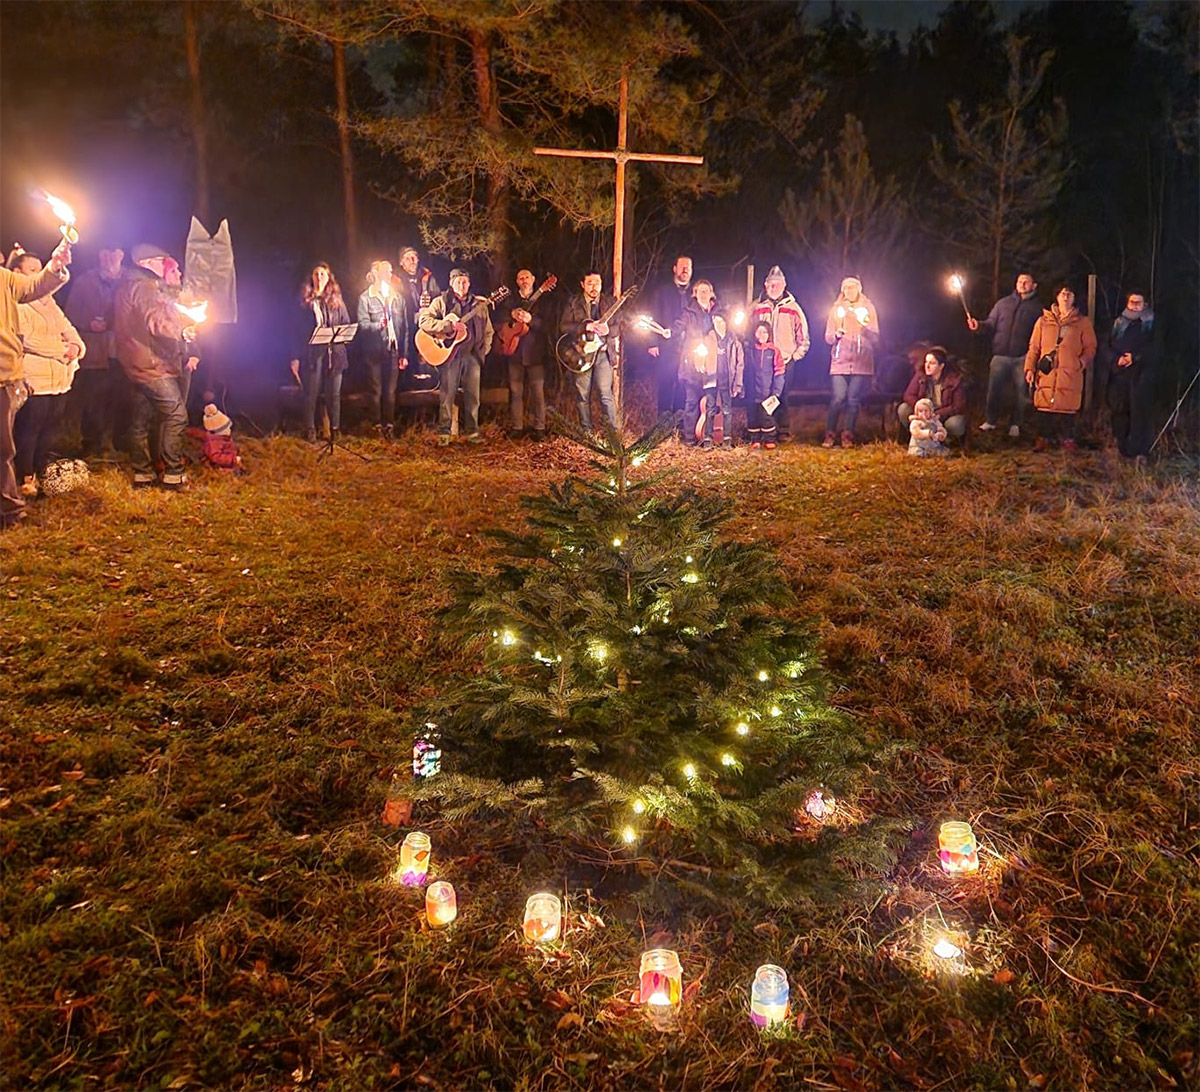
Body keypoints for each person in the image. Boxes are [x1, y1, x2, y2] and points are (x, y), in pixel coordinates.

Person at [114, 243, 197, 490]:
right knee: (176, 414)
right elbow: (155, 319)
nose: (167, 266)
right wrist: (181, 331)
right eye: (162, 261)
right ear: (147, 263)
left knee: (140, 419)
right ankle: (173, 473)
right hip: (151, 364)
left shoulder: (129, 285)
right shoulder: (144, 286)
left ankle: (143, 474)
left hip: (135, 362)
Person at [1, 237, 71, 528]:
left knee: (2, 448)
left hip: (2, 374)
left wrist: (54, 266)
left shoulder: (4, 279)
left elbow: (33, 287)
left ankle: (8, 509)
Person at [8, 249, 85, 496]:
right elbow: (28, 339)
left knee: (50, 427)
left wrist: (77, 346)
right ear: (17, 273)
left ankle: (43, 473)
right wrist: (63, 350)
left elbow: (68, 327)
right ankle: (24, 477)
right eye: (32, 270)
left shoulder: (48, 302)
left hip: (58, 378)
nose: (39, 273)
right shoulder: (18, 303)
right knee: (29, 428)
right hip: (35, 378)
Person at [418, 267, 493, 445]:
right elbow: (424, 321)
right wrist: (448, 327)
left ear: (469, 284)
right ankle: (444, 433)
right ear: (451, 283)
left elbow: (489, 331)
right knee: (447, 396)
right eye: (458, 281)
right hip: (449, 356)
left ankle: (472, 432)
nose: (462, 285)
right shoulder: (441, 302)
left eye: (465, 281)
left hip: (472, 356)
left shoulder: (479, 305)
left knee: (473, 397)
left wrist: (483, 350)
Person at [63, 246, 124, 458]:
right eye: (105, 253)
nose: (109, 258)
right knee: (93, 401)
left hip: (123, 352)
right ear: (99, 255)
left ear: (121, 255)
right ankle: (91, 445)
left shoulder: (129, 283)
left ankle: (119, 443)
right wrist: (87, 323)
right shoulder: (84, 282)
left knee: (120, 399)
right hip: (95, 352)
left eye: (113, 253)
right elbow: (68, 315)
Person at [1024, 285, 1097, 452]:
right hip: (1047, 372)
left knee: (1068, 408)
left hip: (1070, 372)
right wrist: (1029, 368)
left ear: (1074, 298)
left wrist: (1081, 363)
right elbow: (1034, 347)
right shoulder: (1043, 320)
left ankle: (1068, 440)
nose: (1065, 297)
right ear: (1056, 297)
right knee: (1044, 406)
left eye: (1069, 294)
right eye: (1062, 293)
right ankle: (1043, 439)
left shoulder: (1083, 322)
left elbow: (1090, 347)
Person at [969, 272, 1042, 438]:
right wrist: (978, 326)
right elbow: (990, 324)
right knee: (994, 390)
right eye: (1020, 281)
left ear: (1034, 285)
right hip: (1000, 355)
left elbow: (1040, 334)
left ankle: (1016, 424)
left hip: (1022, 356)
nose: (1022, 284)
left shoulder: (1037, 308)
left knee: (1021, 392)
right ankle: (991, 421)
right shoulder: (1003, 304)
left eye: (1026, 282)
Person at [289, 263, 350, 444]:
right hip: (312, 354)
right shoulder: (305, 301)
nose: (319, 277)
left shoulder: (336, 300)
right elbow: (296, 331)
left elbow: (346, 322)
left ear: (329, 277)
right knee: (311, 393)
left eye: (323, 274)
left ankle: (335, 429)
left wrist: (341, 336)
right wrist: (295, 357)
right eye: (316, 274)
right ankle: (310, 429)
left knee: (334, 394)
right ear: (312, 277)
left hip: (334, 353)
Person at [750, 266, 810, 443]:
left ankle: (782, 430)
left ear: (784, 285)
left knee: (781, 395)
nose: (773, 288)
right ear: (765, 286)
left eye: (776, 284)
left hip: (784, 359)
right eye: (769, 284)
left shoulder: (793, 308)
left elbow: (803, 335)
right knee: (762, 395)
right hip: (762, 358)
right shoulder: (758, 307)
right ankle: (765, 429)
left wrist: (795, 355)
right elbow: (749, 330)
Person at [561, 271, 621, 436]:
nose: (594, 287)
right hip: (581, 354)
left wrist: (609, 330)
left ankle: (612, 435)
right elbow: (564, 327)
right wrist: (584, 327)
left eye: (597, 283)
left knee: (605, 394)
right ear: (583, 284)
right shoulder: (574, 302)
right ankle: (587, 432)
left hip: (603, 354)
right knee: (582, 395)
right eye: (590, 283)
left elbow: (620, 326)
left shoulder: (609, 302)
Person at [823, 275, 879, 448]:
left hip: (861, 361)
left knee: (853, 399)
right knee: (839, 397)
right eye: (846, 288)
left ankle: (847, 434)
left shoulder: (868, 308)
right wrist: (836, 335)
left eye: (853, 288)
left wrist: (866, 329)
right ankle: (830, 433)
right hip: (840, 360)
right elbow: (828, 337)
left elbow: (876, 336)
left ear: (859, 289)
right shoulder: (836, 309)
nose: (849, 291)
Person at [357, 259, 407, 440]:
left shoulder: (397, 297)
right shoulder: (366, 298)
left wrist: (404, 353)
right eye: (386, 271)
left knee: (390, 392)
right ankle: (377, 425)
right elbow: (362, 325)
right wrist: (378, 325)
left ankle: (390, 426)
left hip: (393, 350)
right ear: (376, 273)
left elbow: (405, 328)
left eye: (390, 270)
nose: (389, 274)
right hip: (374, 352)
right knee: (376, 391)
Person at [1103, 292, 1156, 461]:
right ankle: (1122, 448)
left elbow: (1156, 348)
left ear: (1144, 304)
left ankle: (1140, 451)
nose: (1134, 305)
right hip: (1119, 375)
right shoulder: (1119, 322)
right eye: (1131, 301)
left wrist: (1135, 357)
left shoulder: (1150, 323)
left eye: (1138, 302)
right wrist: (1115, 359)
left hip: (1141, 375)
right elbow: (1106, 345)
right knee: (1119, 411)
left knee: (1139, 413)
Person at [670, 279, 722, 448]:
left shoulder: (718, 311)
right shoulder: (689, 312)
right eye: (700, 291)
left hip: (713, 363)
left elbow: (725, 330)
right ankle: (690, 438)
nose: (703, 294)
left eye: (706, 291)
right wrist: (670, 331)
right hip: (692, 363)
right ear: (695, 294)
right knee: (691, 401)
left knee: (711, 402)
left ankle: (708, 436)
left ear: (712, 293)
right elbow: (679, 326)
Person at [504, 268, 550, 441]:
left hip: (535, 354)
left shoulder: (542, 302)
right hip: (513, 351)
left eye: (527, 277)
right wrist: (511, 314)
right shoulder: (510, 300)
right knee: (515, 392)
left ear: (533, 279)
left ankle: (539, 428)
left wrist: (532, 320)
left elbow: (548, 326)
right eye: (520, 278)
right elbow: (500, 319)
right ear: (517, 281)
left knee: (538, 392)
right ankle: (517, 427)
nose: (524, 280)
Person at [647, 254, 693, 414]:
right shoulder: (662, 292)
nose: (685, 270)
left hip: (690, 347)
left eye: (689, 267)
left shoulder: (695, 293)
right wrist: (652, 342)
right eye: (682, 266)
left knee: (685, 385)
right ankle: (663, 424)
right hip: (668, 345)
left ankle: (680, 423)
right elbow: (653, 316)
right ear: (675, 269)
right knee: (666, 383)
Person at [899, 346, 968, 443]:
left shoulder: (953, 380)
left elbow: (958, 406)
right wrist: (920, 408)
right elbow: (908, 395)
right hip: (923, 415)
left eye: (932, 363)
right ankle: (917, 436)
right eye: (926, 362)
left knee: (956, 424)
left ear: (941, 366)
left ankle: (944, 440)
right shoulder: (921, 375)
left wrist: (937, 414)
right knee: (903, 409)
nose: (927, 366)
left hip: (942, 417)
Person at [394, 245, 438, 383]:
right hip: (404, 326)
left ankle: (429, 383)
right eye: (407, 258)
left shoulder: (427, 277)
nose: (412, 260)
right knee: (407, 358)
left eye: (414, 257)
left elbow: (438, 299)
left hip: (425, 324)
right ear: (401, 262)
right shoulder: (395, 280)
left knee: (427, 357)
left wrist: (430, 305)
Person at [744, 319, 784, 449]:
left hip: (767, 391)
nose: (762, 335)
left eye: (765, 332)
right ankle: (755, 439)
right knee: (753, 416)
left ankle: (769, 439)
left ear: (769, 334)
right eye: (759, 331)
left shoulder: (774, 351)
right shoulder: (749, 350)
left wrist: (777, 391)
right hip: (752, 390)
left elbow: (779, 372)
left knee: (766, 416)